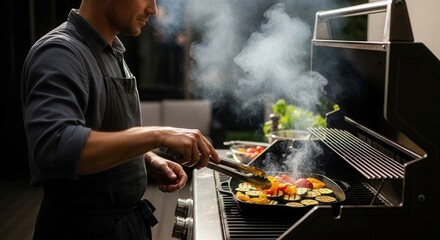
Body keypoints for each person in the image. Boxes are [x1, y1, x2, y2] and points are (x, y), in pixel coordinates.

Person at [20, 0, 220, 239]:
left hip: (124, 226)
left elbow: (103, 129)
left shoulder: (113, 50)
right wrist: (158, 135)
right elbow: (55, 147)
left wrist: (145, 158)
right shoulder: (59, 53)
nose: (153, 9)